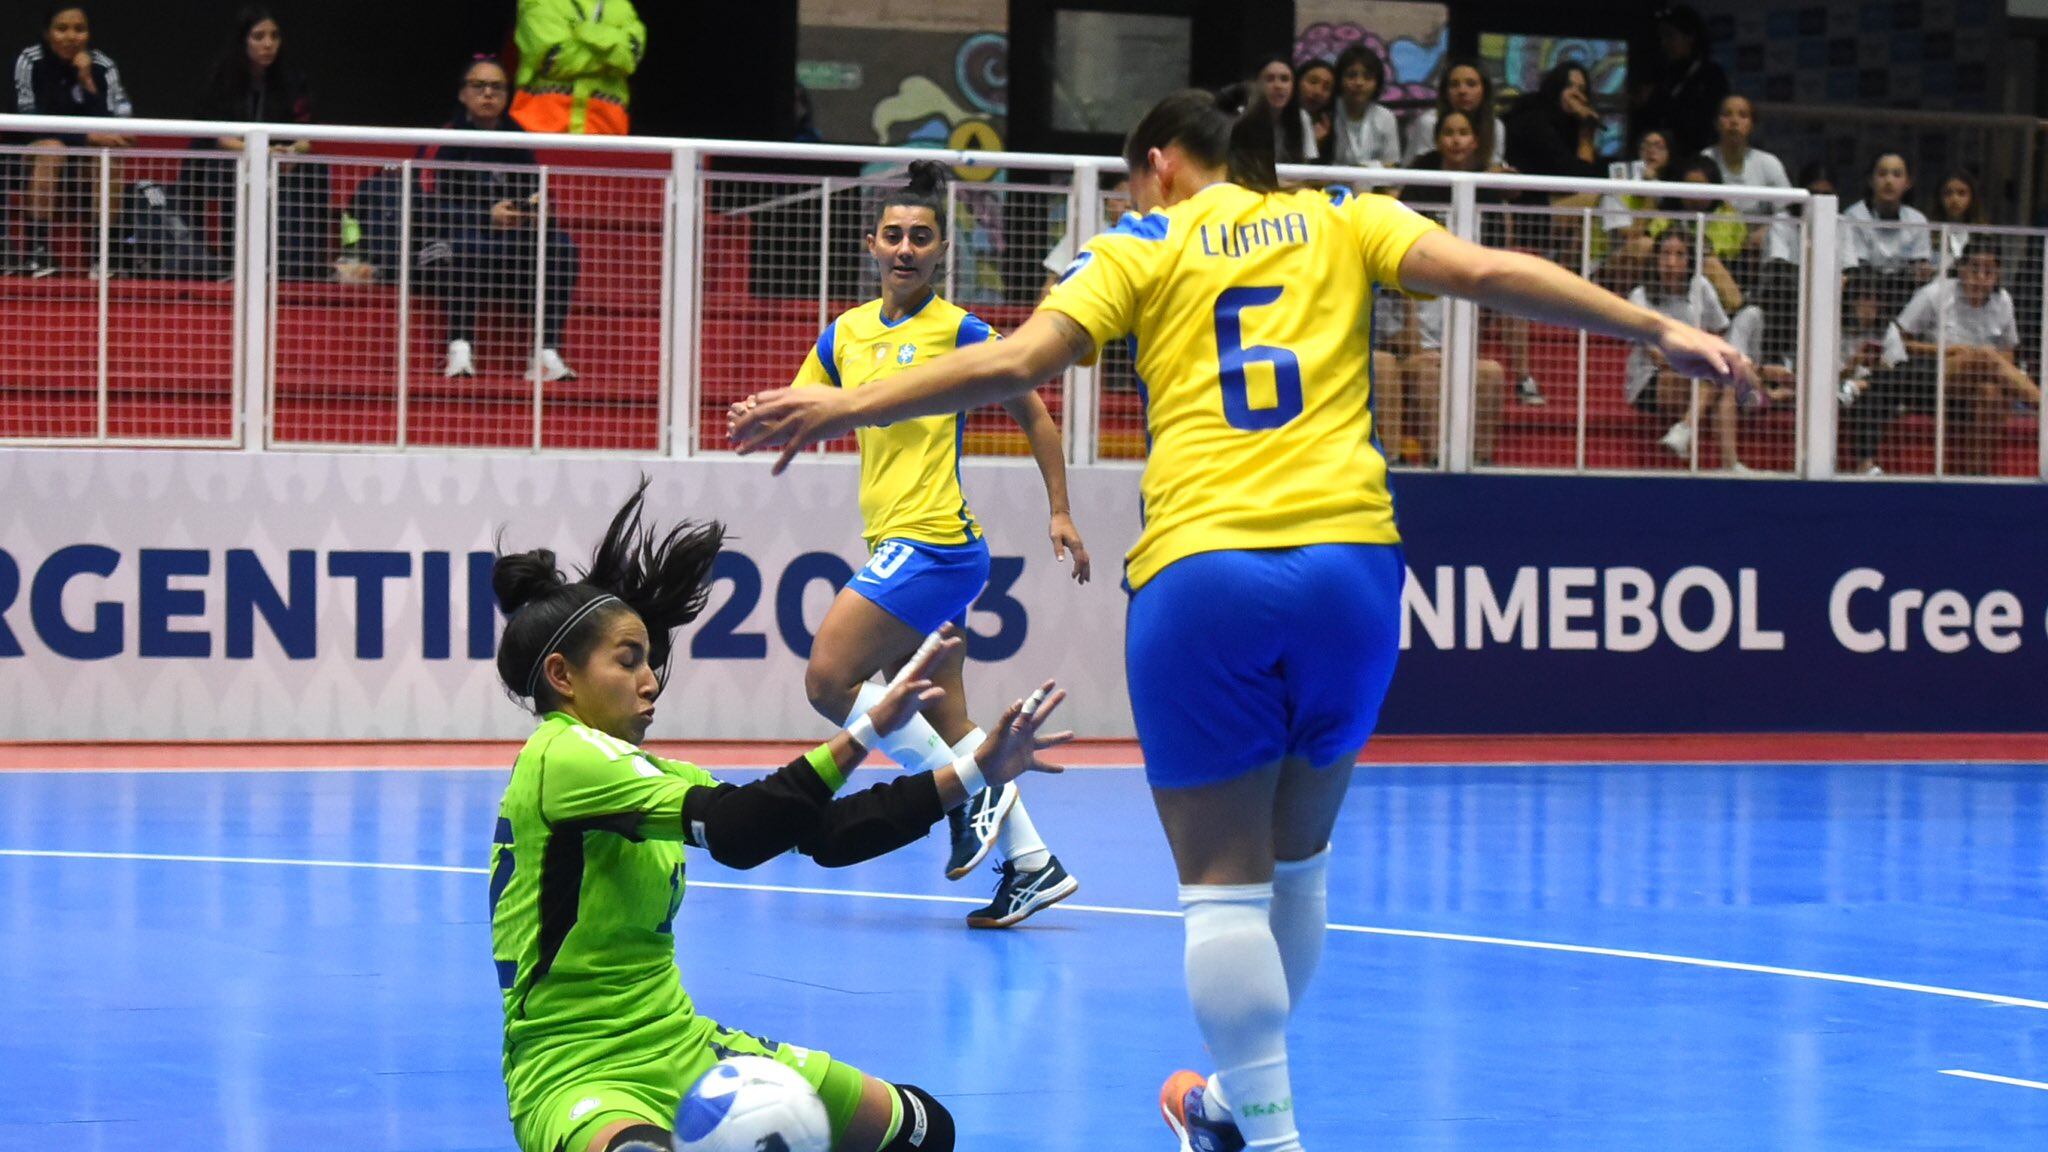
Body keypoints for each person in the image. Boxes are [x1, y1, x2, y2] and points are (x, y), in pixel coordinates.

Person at [729, 87, 1752, 1152]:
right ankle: (1229, 1104)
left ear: (1160, 162)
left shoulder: (1141, 242)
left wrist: (845, 402)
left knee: (1222, 894)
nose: (1132, 198)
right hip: (1352, 568)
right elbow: (1489, 274)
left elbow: (1019, 362)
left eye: (1132, 180)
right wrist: (1656, 326)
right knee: (1297, 865)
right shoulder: (1343, 215)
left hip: (1204, 571)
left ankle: (1271, 1138)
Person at [488, 478, 1070, 1152]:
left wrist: (975, 773)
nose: (650, 681)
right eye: (629, 661)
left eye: (649, 660)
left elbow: (820, 832)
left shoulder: (649, 774)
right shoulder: (560, 756)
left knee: (921, 1127)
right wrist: (863, 734)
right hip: (574, 1071)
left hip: (681, 1045)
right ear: (562, 676)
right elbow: (736, 834)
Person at [789, 161, 1090, 928]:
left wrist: (1060, 511)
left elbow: (1036, 415)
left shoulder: (961, 331)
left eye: (920, 237)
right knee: (942, 720)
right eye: (893, 235)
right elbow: (804, 403)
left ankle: (968, 797)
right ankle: (1033, 865)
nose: (905, 248)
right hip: (904, 543)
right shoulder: (845, 334)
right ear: (871, 244)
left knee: (829, 680)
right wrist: (770, 415)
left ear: (941, 252)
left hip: (936, 543)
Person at [421, 55, 582, 382]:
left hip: (503, 245)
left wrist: (537, 214)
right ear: (462, 93)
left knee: (561, 247)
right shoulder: (446, 140)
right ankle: (459, 346)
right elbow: (424, 207)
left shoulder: (518, 139)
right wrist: (486, 217)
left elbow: (537, 193)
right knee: (467, 245)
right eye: (479, 86)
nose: (488, 94)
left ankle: (545, 351)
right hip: (442, 245)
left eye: (497, 87)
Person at [1401, 110, 1544, 408]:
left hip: (1474, 284)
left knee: (1514, 292)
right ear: (1437, 140)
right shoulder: (1418, 184)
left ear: (1475, 141)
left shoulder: (1487, 191)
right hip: (1425, 280)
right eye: (1449, 133)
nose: (1456, 140)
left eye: (1463, 133)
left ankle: (1523, 379)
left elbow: (1498, 252)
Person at [1864, 241, 2040, 475]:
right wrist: (1948, 350)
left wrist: (1982, 361)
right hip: (1933, 374)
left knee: (1991, 393)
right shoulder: (1934, 293)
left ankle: (1976, 478)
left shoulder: (2003, 301)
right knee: (1985, 355)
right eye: (1974, 269)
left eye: (1989, 271)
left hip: (1978, 382)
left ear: (1998, 274)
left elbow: (2009, 353)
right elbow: (1898, 340)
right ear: (1961, 268)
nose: (1980, 278)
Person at [182, 6, 327, 280]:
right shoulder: (221, 79)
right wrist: (261, 153)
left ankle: (302, 266)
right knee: (221, 170)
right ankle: (225, 260)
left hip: (279, 161)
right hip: (231, 159)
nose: (268, 44)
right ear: (244, 40)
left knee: (316, 170)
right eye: (259, 36)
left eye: (274, 36)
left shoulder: (293, 80)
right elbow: (217, 137)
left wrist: (291, 152)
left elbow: (306, 135)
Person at [9, 4, 133, 278]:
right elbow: (28, 119)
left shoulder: (102, 66)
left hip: (84, 162)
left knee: (108, 158)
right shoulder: (30, 61)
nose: (71, 37)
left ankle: (104, 257)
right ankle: (37, 253)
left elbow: (123, 125)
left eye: (79, 29)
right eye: (62, 28)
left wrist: (87, 82)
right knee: (53, 149)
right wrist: (84, 136)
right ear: (47, 33)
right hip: (31, 157)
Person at [1627, 229, 1754, 470]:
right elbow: (1657, 356)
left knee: (1723, 383)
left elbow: (1719, 332)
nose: (1671, 262)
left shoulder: (1701, 287)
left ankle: (1686, 429)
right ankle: (1727, 463)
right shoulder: (1640, 296)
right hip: (1652, 380)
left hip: (1696, 375)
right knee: (1719, 381)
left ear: (1689, 260)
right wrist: (1700, 360)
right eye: (1665, 254)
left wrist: (1704, 361)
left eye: (1679, 255)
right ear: (1655, 259)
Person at [508, 0, 645, 135]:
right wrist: (611, 54)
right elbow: (552, 59)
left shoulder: (623, 6)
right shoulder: (540, 2)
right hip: (539, 130)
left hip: (605, 131)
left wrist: (585, 33)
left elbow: (630, 58)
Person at [1634, 3, 1728, 160]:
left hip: (1695, 158)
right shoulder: (1662, 74)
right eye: (1662, 37)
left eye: (1670, 36)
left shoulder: (1711, 75)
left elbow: (1705, 123)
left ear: (1690, 37)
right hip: (1659, 157)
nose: (1664, 43)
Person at [1840, 152, 1933, 283]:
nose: (1889, 181)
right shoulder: (1854, 216)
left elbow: (1920, 267)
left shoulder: (1918, 220)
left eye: (1897, 175)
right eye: (1882, 174)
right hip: (1864, 288)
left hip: (1907, 289)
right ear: (1870, 180)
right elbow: (1856, 269)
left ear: (1908, 182)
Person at [1503, 62, 1604, 182]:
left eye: (1581, 89)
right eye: (1568, 86)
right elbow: (1577, 180)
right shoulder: (1534, 120)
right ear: (1555, 87)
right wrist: (1586, 135)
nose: (1575, 94)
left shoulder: (1572, 125)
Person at [1402, 58, 1505, 168]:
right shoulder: (1429, 122)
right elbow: (1414, 169)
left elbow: (1494, 166)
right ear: (1445, 92)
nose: (1462, 91)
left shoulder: (1495, 126)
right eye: (1454, 85)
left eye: (1471, 84)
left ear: (1485, 90)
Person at [1329, 45, 1400, 170]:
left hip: (1374, 182)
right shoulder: (1328, 113)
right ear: (1339, 79)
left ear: (1377, 82)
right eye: (1351, 76)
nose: (1359, 83)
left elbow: (1392, 164)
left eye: (1367, 77)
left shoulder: (1386, 117)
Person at [1250, 55, 1316, 164]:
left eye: (1285, 79)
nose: (1278, 86)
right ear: (1256, 84)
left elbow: (1306, 166)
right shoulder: (1241, 116)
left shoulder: (1302, 117)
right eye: (1270, 79)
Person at [1929, 169, 1988, 264]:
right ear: (1939, 197)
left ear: (1973, 197)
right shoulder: (1928, 233)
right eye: (1948, 193)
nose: (1955, 199)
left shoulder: (1984, 234)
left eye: (1962, 193)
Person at [1294, 58, 1336, 165]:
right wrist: (1310, 142)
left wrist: (1316, 143)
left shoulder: (1331, 127)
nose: (1318, 92)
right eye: (1312, 82)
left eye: (1326, 87)